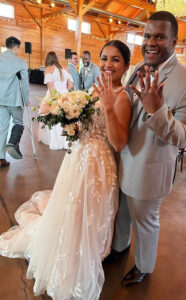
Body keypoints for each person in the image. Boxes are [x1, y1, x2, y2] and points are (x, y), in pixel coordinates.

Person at [0, 40, 131, 300]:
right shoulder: (94, 88)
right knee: (71, 207)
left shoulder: (122, 97)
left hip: (99, 163)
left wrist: (107, 105)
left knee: (90, 211)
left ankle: (85, 253)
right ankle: (67, 246)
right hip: (77, 158)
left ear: (126, 65)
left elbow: (118, 142)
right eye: (104, 58)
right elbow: (86, 124)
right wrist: (70, 123)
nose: (107, 64)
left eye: (115, 59)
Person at [105, 11, 186, 287]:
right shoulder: (137, 68)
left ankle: (144, 266)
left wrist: (158, 111)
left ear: (174, 41)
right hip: (124, 160)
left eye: (159, 36)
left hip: (150, 169)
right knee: (122, 211)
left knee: (145, 221)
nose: (151, 42)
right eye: (147, 35)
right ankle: (120, 248)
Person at [0, 36, 29, 167]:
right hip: (15, 99)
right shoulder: (21, 62)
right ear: (16, 47)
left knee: (2, 128)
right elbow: (25, 84)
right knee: (18, 122)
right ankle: (12, 143)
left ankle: (1, 158)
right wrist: (26, 99)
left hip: (1, 100)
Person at [38, 51, 73, 150]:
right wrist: (64, 91)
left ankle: (55, 142)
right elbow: (71, 84)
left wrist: (55, 99)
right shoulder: (65, 68)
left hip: (54, 95)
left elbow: (51, 87)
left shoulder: (49, 69)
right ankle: (66, 141)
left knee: (52, 117)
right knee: (65, 118)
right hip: (65, 95)